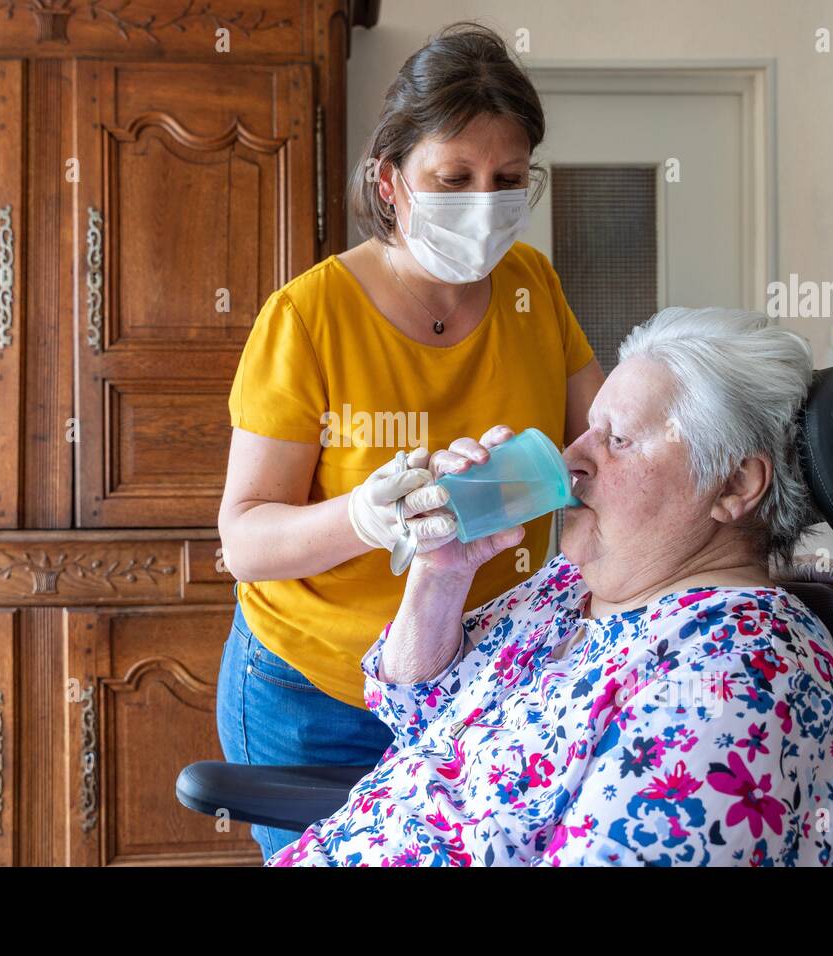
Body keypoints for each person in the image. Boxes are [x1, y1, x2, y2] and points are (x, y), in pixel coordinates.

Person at [268, 307, 833, 866]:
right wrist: (440, 575)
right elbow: (413, 714)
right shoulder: (570, 586)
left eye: (618, 439)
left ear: (734, 485)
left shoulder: (737, 678)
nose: (570, 458)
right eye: (587, 431)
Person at [216, 21, 605, 860]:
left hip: (484, 683)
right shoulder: (309, 318)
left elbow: (600, 448)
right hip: (317, 696)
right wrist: (364, 517)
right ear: (391, 181)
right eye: (453, 177)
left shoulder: (532, 288)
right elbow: (244, 539)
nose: (484, 200)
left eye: (507, 179)